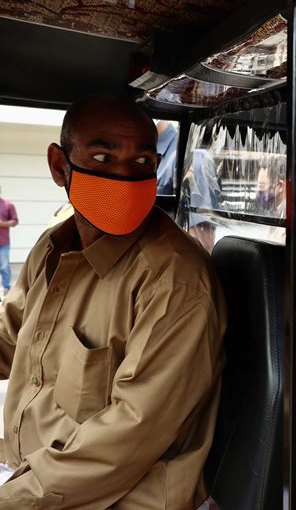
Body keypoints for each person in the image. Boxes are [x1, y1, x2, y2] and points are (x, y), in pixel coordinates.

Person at [0, 93, 227, 508]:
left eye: (141, 163)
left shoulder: (174, 281)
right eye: (104, 158)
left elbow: (130, 435)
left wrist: (12, 498)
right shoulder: (53, 248)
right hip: (33, 474)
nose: (124, 177)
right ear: (59, 166)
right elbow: (10, 338)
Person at [0, 186, 18, 299]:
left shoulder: (8, 205)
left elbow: (15, 221)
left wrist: (3, 224)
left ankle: (7, 289)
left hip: (3, 242)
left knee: (4, 266)